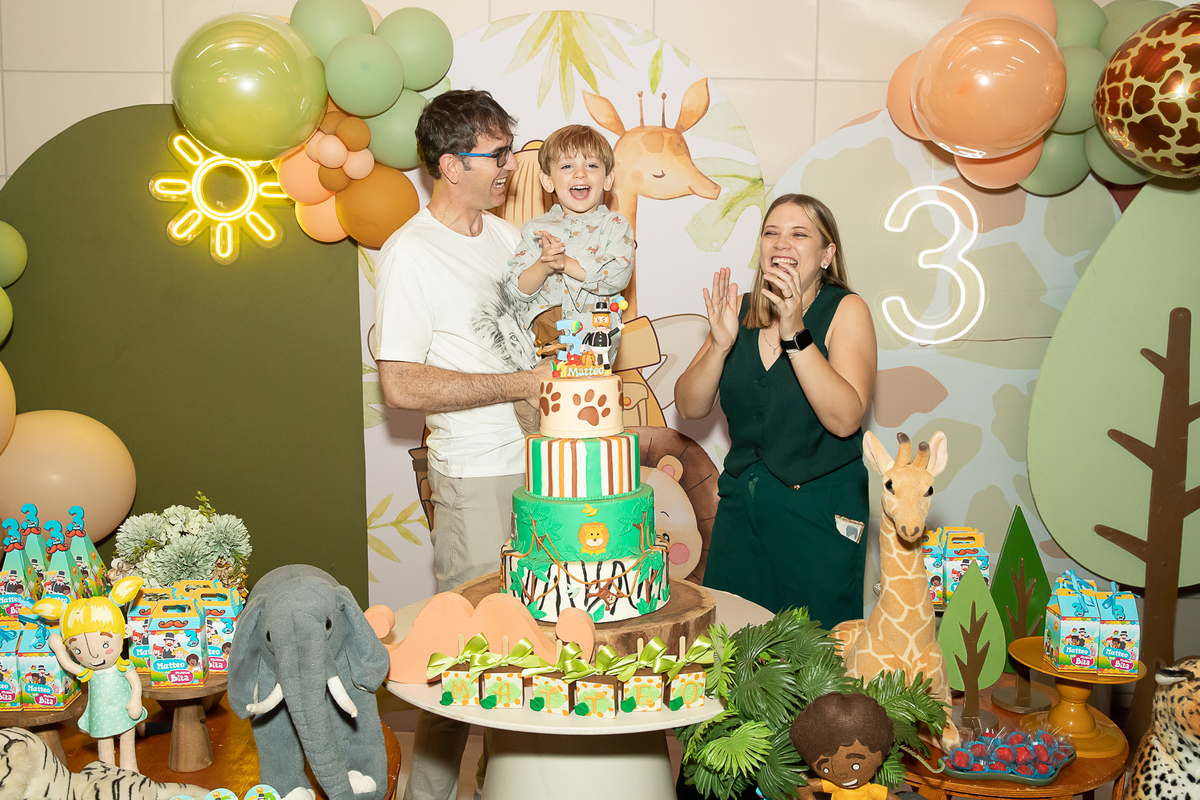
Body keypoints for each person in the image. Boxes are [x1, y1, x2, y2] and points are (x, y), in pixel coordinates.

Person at [373, 89, 550, 800]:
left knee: (525, 649)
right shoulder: (411, 254)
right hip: (474, 477)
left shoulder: (507, 240)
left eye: (511, 150)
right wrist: (516, 383)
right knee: (465, 653)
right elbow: (401, 384)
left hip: (536, 474)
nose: (511, 165)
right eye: (497, 154)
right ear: (451, 165)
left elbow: (514, 346)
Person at [675, 194, 877, 630]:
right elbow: (689, 406)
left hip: (818, 520)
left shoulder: (846, 309)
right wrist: (720, 346)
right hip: (741, 516)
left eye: (799, 234)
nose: (781, 242)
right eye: (771, 233)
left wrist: (796, 333)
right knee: (732, 645)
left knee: (813, 655)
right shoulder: (740, 310)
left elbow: (846, 419)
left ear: (826, 255)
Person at [507, 124, 634, 357]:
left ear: (608, 179)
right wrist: (543, 266)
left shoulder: (615, 225)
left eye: (591, 165)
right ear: (548, 181)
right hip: (544, 354)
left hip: (595, 350)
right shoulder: (535, 230)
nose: (580, 173)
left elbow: (618, 275)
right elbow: (518, 290)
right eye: (567, 166)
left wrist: (565, 263)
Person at [36, 577, 147, 773]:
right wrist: (59, 650)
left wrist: (135, 700)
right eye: (78, 650)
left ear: (125, 632)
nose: (94, 656)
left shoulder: (122, 666)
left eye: (105, 644)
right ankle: (107, 772)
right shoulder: (90, 672)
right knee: (104, 744)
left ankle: (130, 770)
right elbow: (69, 665)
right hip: (101, 714)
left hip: (124, 710)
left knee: (127, 739)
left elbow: (135, 683)